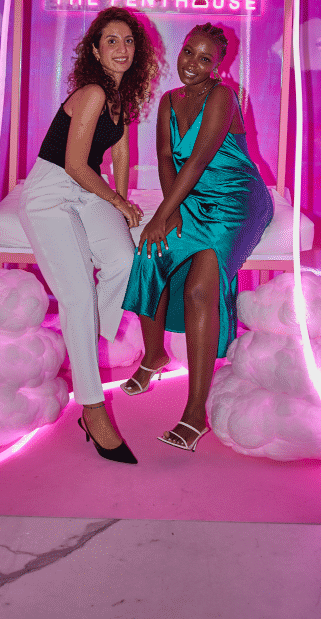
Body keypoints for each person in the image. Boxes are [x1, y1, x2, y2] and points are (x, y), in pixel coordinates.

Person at [121, 22, 273, 452]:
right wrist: (170, 212)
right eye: (189, 52)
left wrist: (161, 214)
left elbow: (199, 159)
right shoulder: (169, 101)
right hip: (189, 195)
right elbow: (166, 157)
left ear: (217, 66)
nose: (192, 63)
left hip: (234, 199)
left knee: (199, 291)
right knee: (150, 254)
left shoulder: (223, 96)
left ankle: (194, 414)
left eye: (205, 59)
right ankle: (154, 355)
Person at [19, 7, 158, 465]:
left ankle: (81, 336)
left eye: (128, 41)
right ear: (95, 52)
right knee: (78, 295)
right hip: (52, 190)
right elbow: (76, 164)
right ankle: (92, 409)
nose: (122, 48)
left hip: (86, 191)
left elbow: (120, 153)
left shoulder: (122, 97)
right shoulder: (93, 93)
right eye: (111, 41)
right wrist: (117, 201)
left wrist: (121, 204)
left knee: (124, 261)